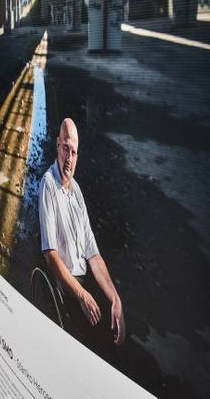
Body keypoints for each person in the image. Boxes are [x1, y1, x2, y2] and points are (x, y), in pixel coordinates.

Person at [39, 118, 125, 349]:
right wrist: (81, 296)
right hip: (65, 290)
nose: (69, 158)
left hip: (84, 284)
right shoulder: (48, 185)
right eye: (65, 148)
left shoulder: (76, 191)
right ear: (57, 145)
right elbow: (50, 254)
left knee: (115, 333)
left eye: (73, 152)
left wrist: (115, 299)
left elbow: (93, 255)